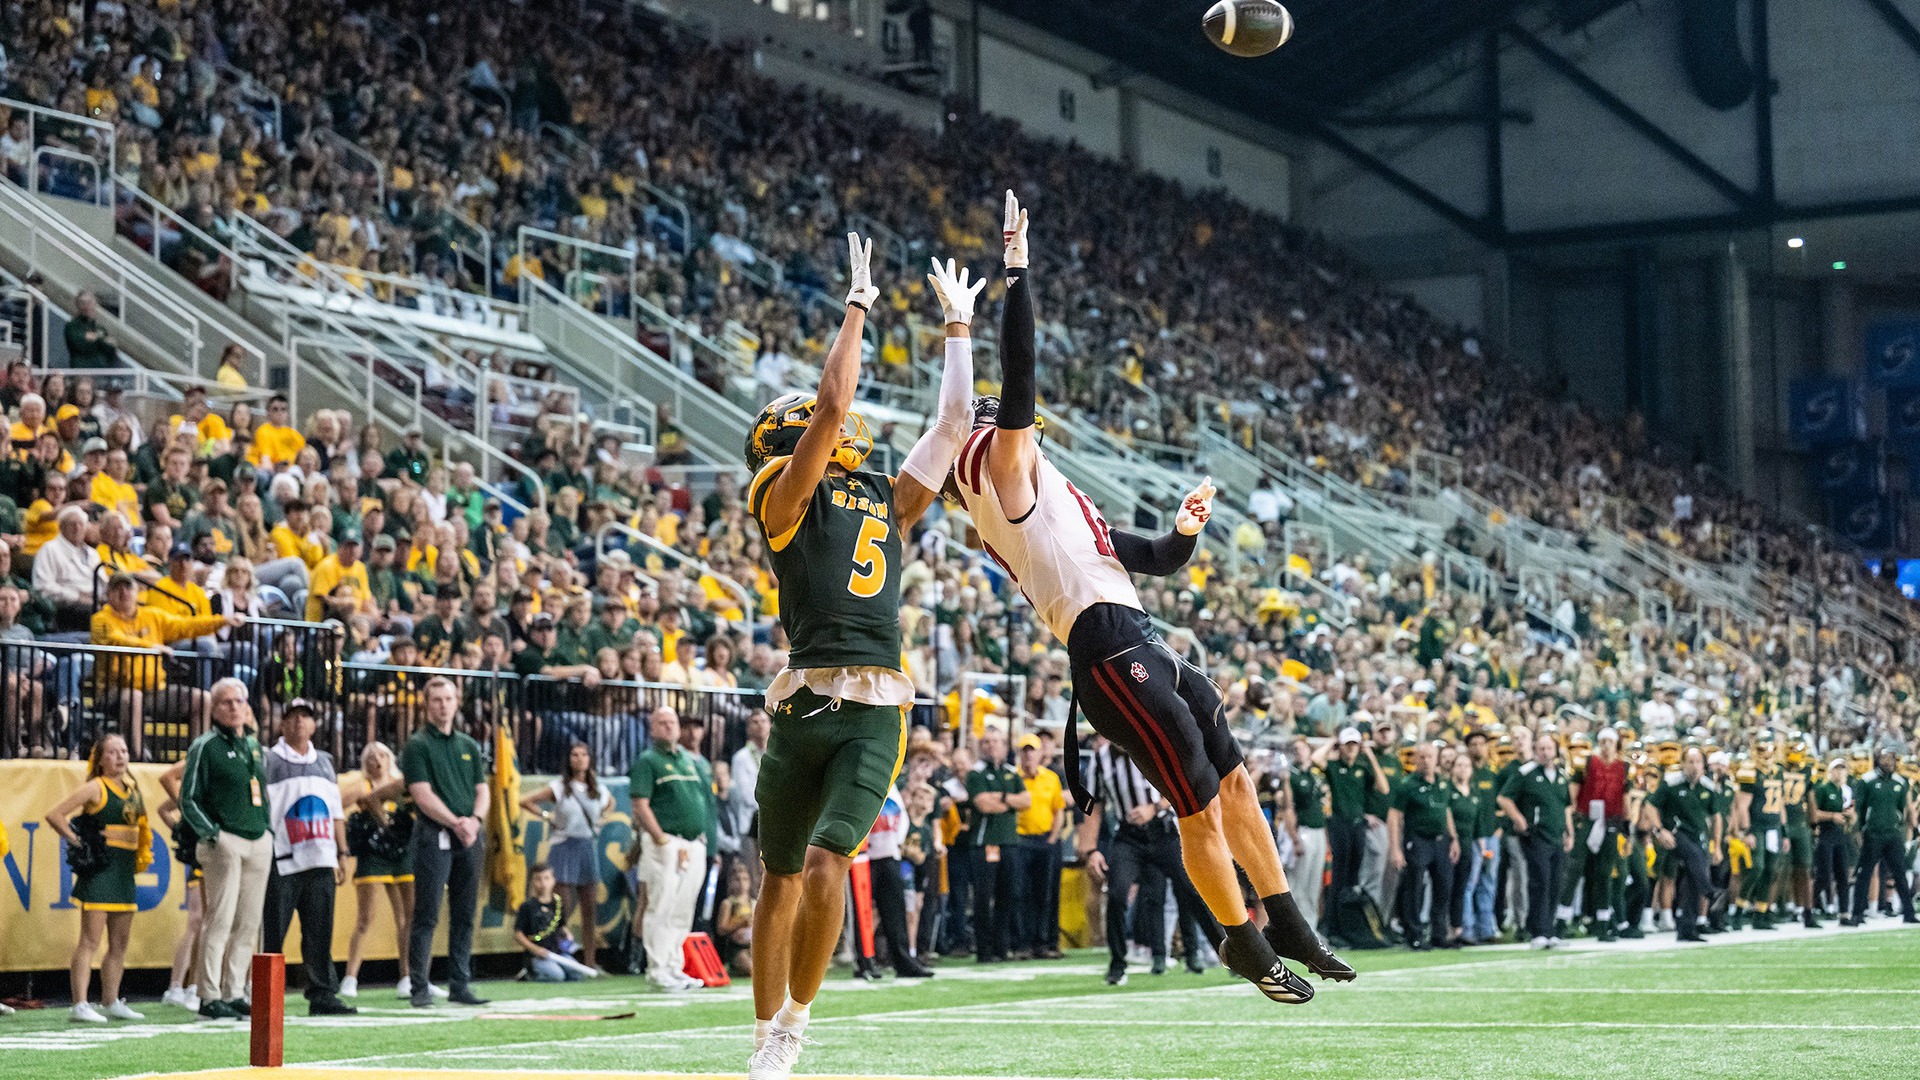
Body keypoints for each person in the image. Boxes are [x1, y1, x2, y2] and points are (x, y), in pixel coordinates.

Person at [945, 193, 1345, 1005]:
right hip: (1107, 654)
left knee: (1233, 784)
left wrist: (1186, 530)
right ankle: (1243, 943)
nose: (1036, 434)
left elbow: (1155, 557)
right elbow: (1016, 382)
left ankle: (1286, 919)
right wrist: (1017, 273)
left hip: (1141, 641)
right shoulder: (1005, 477)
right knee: (1197, 806)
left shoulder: (1052, 502)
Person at [743, 234, 972, 1079]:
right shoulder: (776, 490)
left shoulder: (883, 495)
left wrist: (958, 331)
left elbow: (952, 426)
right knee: (777, 877)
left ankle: (795, 1026)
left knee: (829, 857)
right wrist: (857, 306)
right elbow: (834, 408)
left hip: (875, 702)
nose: (818, 420)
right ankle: (763, 1034)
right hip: (804, 699)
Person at [1079, 733, 1219, 986]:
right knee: (1118, 894)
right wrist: (1090, 850)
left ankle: (1228, 951)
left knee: (1192, 891)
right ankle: (1118, 964)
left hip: (1162, 831)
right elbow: (1094, 805)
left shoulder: (1154, 748)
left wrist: (1154, 808)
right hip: (1129, 837)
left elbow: (1179, 786)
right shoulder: (1100, 759)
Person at [178, 678, 272, 1020]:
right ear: (214, 709)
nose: (234, 707)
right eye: (226, 702)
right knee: (219, 919)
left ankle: (234, 991)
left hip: (257, 838)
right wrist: (213, 834)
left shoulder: (253, 745)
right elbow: (187, 798)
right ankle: (208, 993)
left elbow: (261, 791)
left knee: (249, 922)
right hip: (225, 841)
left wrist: (268, 829)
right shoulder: (205, 746)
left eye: (239, 701)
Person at [44, 734, 149, 1023]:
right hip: (100, 875)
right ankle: (79, 1004)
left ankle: (111, 1000)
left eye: (124, 751)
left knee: (120, 943)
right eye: (113, 752)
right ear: (100, 759)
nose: (120, 756)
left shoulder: (132, 788)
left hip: (124, 874)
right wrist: (77, 841)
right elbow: (55, 815)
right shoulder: (95, 788)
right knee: (89, 941)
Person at [262, 699, 356, 1015]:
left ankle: (322, 993)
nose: (300, 723)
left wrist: (342, 852)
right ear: (281, 724)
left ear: (315, 725)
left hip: (321, 856)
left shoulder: (326, 761)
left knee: (320, 931)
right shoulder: (269, 760)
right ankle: (264, 994)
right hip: (282, 857)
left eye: (305, 717)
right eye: (292, 717)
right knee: (273, 932)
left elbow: (336, 811)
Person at [401, 676, 491, 1008]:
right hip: (433, 834)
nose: (443, 705)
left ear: (457, 702)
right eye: (436, 699)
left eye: (448, 698)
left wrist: (475, 821)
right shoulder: (418, 745)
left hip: (469, 833)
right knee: (427, 912)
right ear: (427, 705)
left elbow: (483, 790)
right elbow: (421, 795)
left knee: (465, 912)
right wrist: (456, 822)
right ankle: (420, 986)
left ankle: (460, 983)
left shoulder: (468, 745)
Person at [628, 705, 714, 992]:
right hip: (666, 842)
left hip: (693, 843)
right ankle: (657, 968)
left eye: (672, 722)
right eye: (661, 722)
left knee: (682, 908)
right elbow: (640, 804)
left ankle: (674, 965)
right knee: (661, 904)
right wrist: (659, 838)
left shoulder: (689, 761)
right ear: (652, 729)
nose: (668, 727)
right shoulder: (648, 761)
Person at [342, 740, 430, 999]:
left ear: (390, 758)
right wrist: (382, 823)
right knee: (365, 918)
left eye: (381, 755)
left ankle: (407, 976)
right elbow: (340, 803)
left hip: (402, 855)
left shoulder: (401, 784)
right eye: (371, 756)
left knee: (408, 918)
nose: (377, 760)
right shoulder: (361, 784)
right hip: (374, 855)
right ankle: (350, 978)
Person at [520, 741, 614, 971]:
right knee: (561, 908)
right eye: (574, 755)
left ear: (590, 759)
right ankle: (548, 955)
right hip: (564, 846)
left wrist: (602, 819)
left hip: (586, 846)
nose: (579, 759)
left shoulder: (598, 789)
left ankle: (590, 961)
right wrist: (547, 816)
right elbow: (525, 800)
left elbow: (611, 803)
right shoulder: (559, 787)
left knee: (589, 909)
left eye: (584, 755)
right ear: (569, 760)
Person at [1498, 731, 1574, 949]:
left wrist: (1569, 830)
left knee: (1555, 882)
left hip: (1556, 835)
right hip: (1536, 834)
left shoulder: (1561, 775)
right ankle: (1538, 930)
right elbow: (1504, 798)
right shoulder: (1526, 773)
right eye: (1541, 748)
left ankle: (1549, 930)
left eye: (1549, 748)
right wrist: (1519, 818)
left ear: (1556, 750)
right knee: (1540, 880)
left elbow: (1566, 806)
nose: (1545, 752)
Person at [1640, 746, 1720, 942]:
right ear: (1683, 764)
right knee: (1695, 858)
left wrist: (1716, 844)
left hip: (1697, 834)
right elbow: (1650, 806)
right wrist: (1659, 830)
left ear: (1704, 765)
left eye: (1698, 762)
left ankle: (1687, 928)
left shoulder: (1708, 787)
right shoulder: (1671, 783)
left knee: (1692, 879)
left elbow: (1716, 817)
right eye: (1690, 762)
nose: (1694, 766)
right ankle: (1710, 890)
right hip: (1675, 834)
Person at [1387, 742, 1459, 950]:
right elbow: (1394, 816)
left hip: (1440, 840)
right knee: (1414, 886)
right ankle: (1414, 933)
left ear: (1436, 759)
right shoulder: (1408, 784)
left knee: (1444, 886)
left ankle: (1439, 933)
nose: (1426, 761)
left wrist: (1453, 838)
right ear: (1416, 759)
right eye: (1422, 757)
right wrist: (1395, 848)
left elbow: (1446, 811)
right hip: (1418, 840)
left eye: (1430, 757)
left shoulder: (1443, 783)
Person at [1313, 726, 1388, 914]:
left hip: (1357, 825)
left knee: (1354, 873)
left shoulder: (1362, 768)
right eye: (1347, 745)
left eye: (1354, 745)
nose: (1351, 748)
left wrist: (1370, 757)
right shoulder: (1334, 767)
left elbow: (1383, 788)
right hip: (1339, 823)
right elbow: (1316, 759)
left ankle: (1349, 917)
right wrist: (1332, 742)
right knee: (1339, 871)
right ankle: (1334, 918)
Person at [862, 782, 931, 977]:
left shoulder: (892, 787)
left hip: (891, 854)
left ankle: (903, 961)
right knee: (864, 912)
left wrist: (899, 843)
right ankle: (864, 961)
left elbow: (902, 819)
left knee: (896, 913)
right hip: (865, 856)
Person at [1843, 748, 1917, 926]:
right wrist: (1859, 831)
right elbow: (1859, 808)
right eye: (1884, 758)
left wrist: (1901, 829)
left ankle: (1908, 912)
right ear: (1877, 760)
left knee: (1900, 873)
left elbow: (1902, 809)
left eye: (1891, 758)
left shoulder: (1900, 782)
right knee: (1865, 873)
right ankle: (1857, 913)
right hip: (1873, 833)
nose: (1888, 762)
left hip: (1892, 834)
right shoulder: (1867, 781)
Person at [154, 758, 206, 1012]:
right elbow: (164, 808)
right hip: (202, 858)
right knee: (197, 921)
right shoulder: (201, 761)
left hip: (217, 854)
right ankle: (176, 985)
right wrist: (184, 833)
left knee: (210, 924)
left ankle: (196, 985)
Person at [1010, 732, 1066, 960]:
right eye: (1025, 750)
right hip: (1020, 840)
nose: (1029, 755)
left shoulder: (1051, 778)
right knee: (1020, 892)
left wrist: (1053, 837)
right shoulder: (1013, 777)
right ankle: (1022, 943)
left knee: (1046, 893)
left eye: (1032, 750)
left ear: (1041, 753)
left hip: (1045, 839)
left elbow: (1059, 810)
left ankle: (1044, 942)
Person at [515, 863, 599, 982]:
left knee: (577, 973)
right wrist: (535, 949)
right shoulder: (527, 906)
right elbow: (518, 934)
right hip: (538, 955)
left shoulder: (558, 903)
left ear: (553, 880)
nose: (543, 883)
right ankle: (529, 974)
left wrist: (568, 936)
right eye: (538, 879)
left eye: (546, 878)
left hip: (557, 953)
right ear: (532, 882)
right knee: (557, 976)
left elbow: (561, 926)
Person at [1284, 737, 1329, 930]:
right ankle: (1294, 929)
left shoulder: (1315, 774)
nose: (1298, 752)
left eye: (1301, 748)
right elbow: (1288, 808)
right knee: (1298, 883)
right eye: (1295, 749)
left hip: (1318, 830)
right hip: (1304, 830)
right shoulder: (1291, 776)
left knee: (1313, 883)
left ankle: (1310, 928)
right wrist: (1294, 838)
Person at [1811, 758, 1854, 919]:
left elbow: (1851, 816)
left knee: (1843, 875)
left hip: (1840, 835)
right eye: (1837, 769)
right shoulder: (1823, 789)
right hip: (1825, 835)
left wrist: (1850, 816)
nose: (1840, 772)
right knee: (1823, 876)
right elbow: (1814, 814)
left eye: (1843, 769)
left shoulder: (1843, 791)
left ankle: (1844, 913)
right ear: (1830, 771)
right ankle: (1806, 908)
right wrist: (1832, 816)